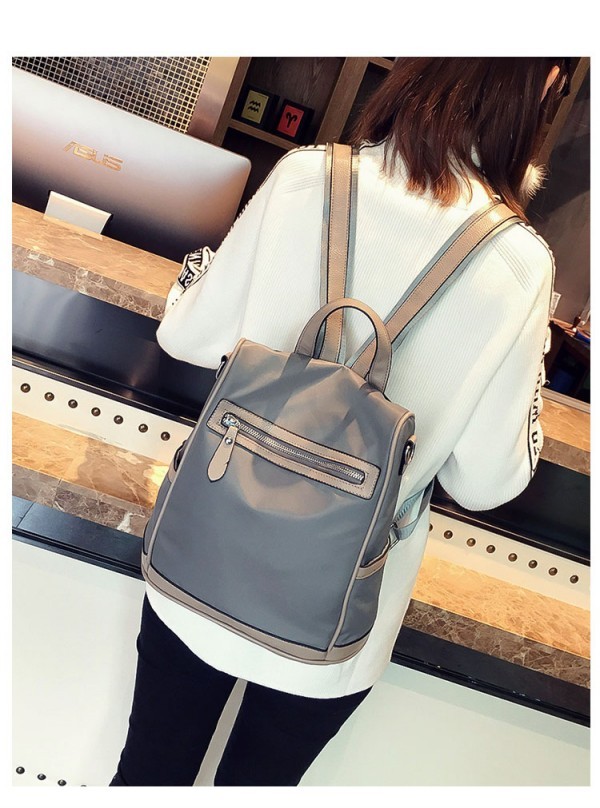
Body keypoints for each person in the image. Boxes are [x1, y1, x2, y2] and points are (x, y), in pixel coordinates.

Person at [110, 57, 570, 787]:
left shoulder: (308, 176)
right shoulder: (518, 263)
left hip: (203, 553)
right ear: (541, 83)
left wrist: (203, 268)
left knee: (147, 777)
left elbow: (188, 336)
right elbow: (486, 482)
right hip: (340, 616)